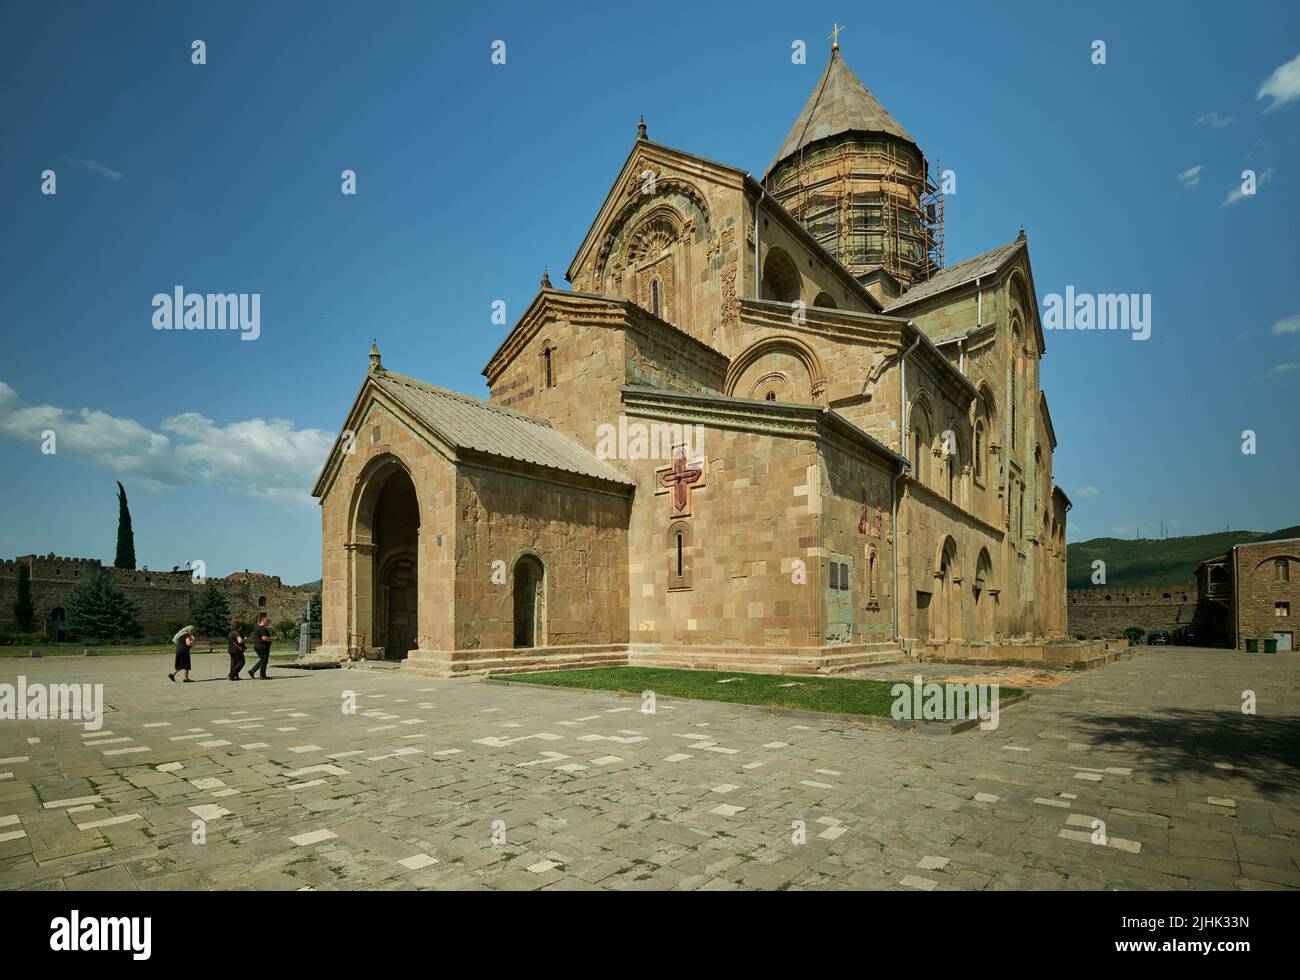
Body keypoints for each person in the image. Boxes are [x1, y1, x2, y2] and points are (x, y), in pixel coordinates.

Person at [249, 613, 273, 679]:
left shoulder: (257, 627)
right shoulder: (262, 628)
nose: (268, 624)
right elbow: (264, 638)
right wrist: (271, 639)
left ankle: (252, 671)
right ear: (264, 621)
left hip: (257, 646)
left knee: (263, 660)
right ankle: (262, 676)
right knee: (264, 661)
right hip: (263, 647)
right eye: (268, 622)